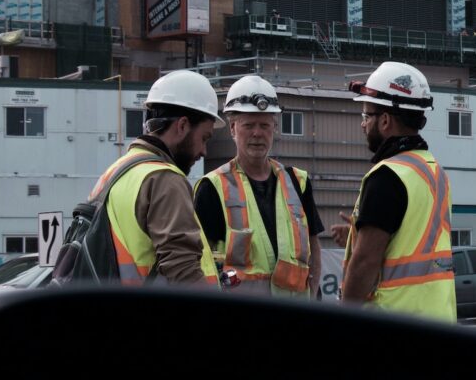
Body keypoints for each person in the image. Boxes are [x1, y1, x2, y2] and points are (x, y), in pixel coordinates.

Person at [330, 62, 456, 321]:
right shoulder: (434, 171)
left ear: (385, 120)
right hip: (439, 320)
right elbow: (410, 240)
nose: (363, 125)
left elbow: (365, 263)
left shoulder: (387, 176)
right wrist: (356, 235)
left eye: (366, 116)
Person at [87, 70, 223, 285]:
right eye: (204, 138)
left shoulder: (117, 172)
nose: (204, 151)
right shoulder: (164, 179)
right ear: (182, 126)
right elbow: (182, 268)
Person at [194, 75, 324, 297]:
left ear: (274, 128)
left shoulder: (297, 182)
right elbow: (199, 260)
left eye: (265, 125)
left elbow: (314, 248)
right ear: (233, 129)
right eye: (249, 125)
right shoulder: (213, 187)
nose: (257, 133)